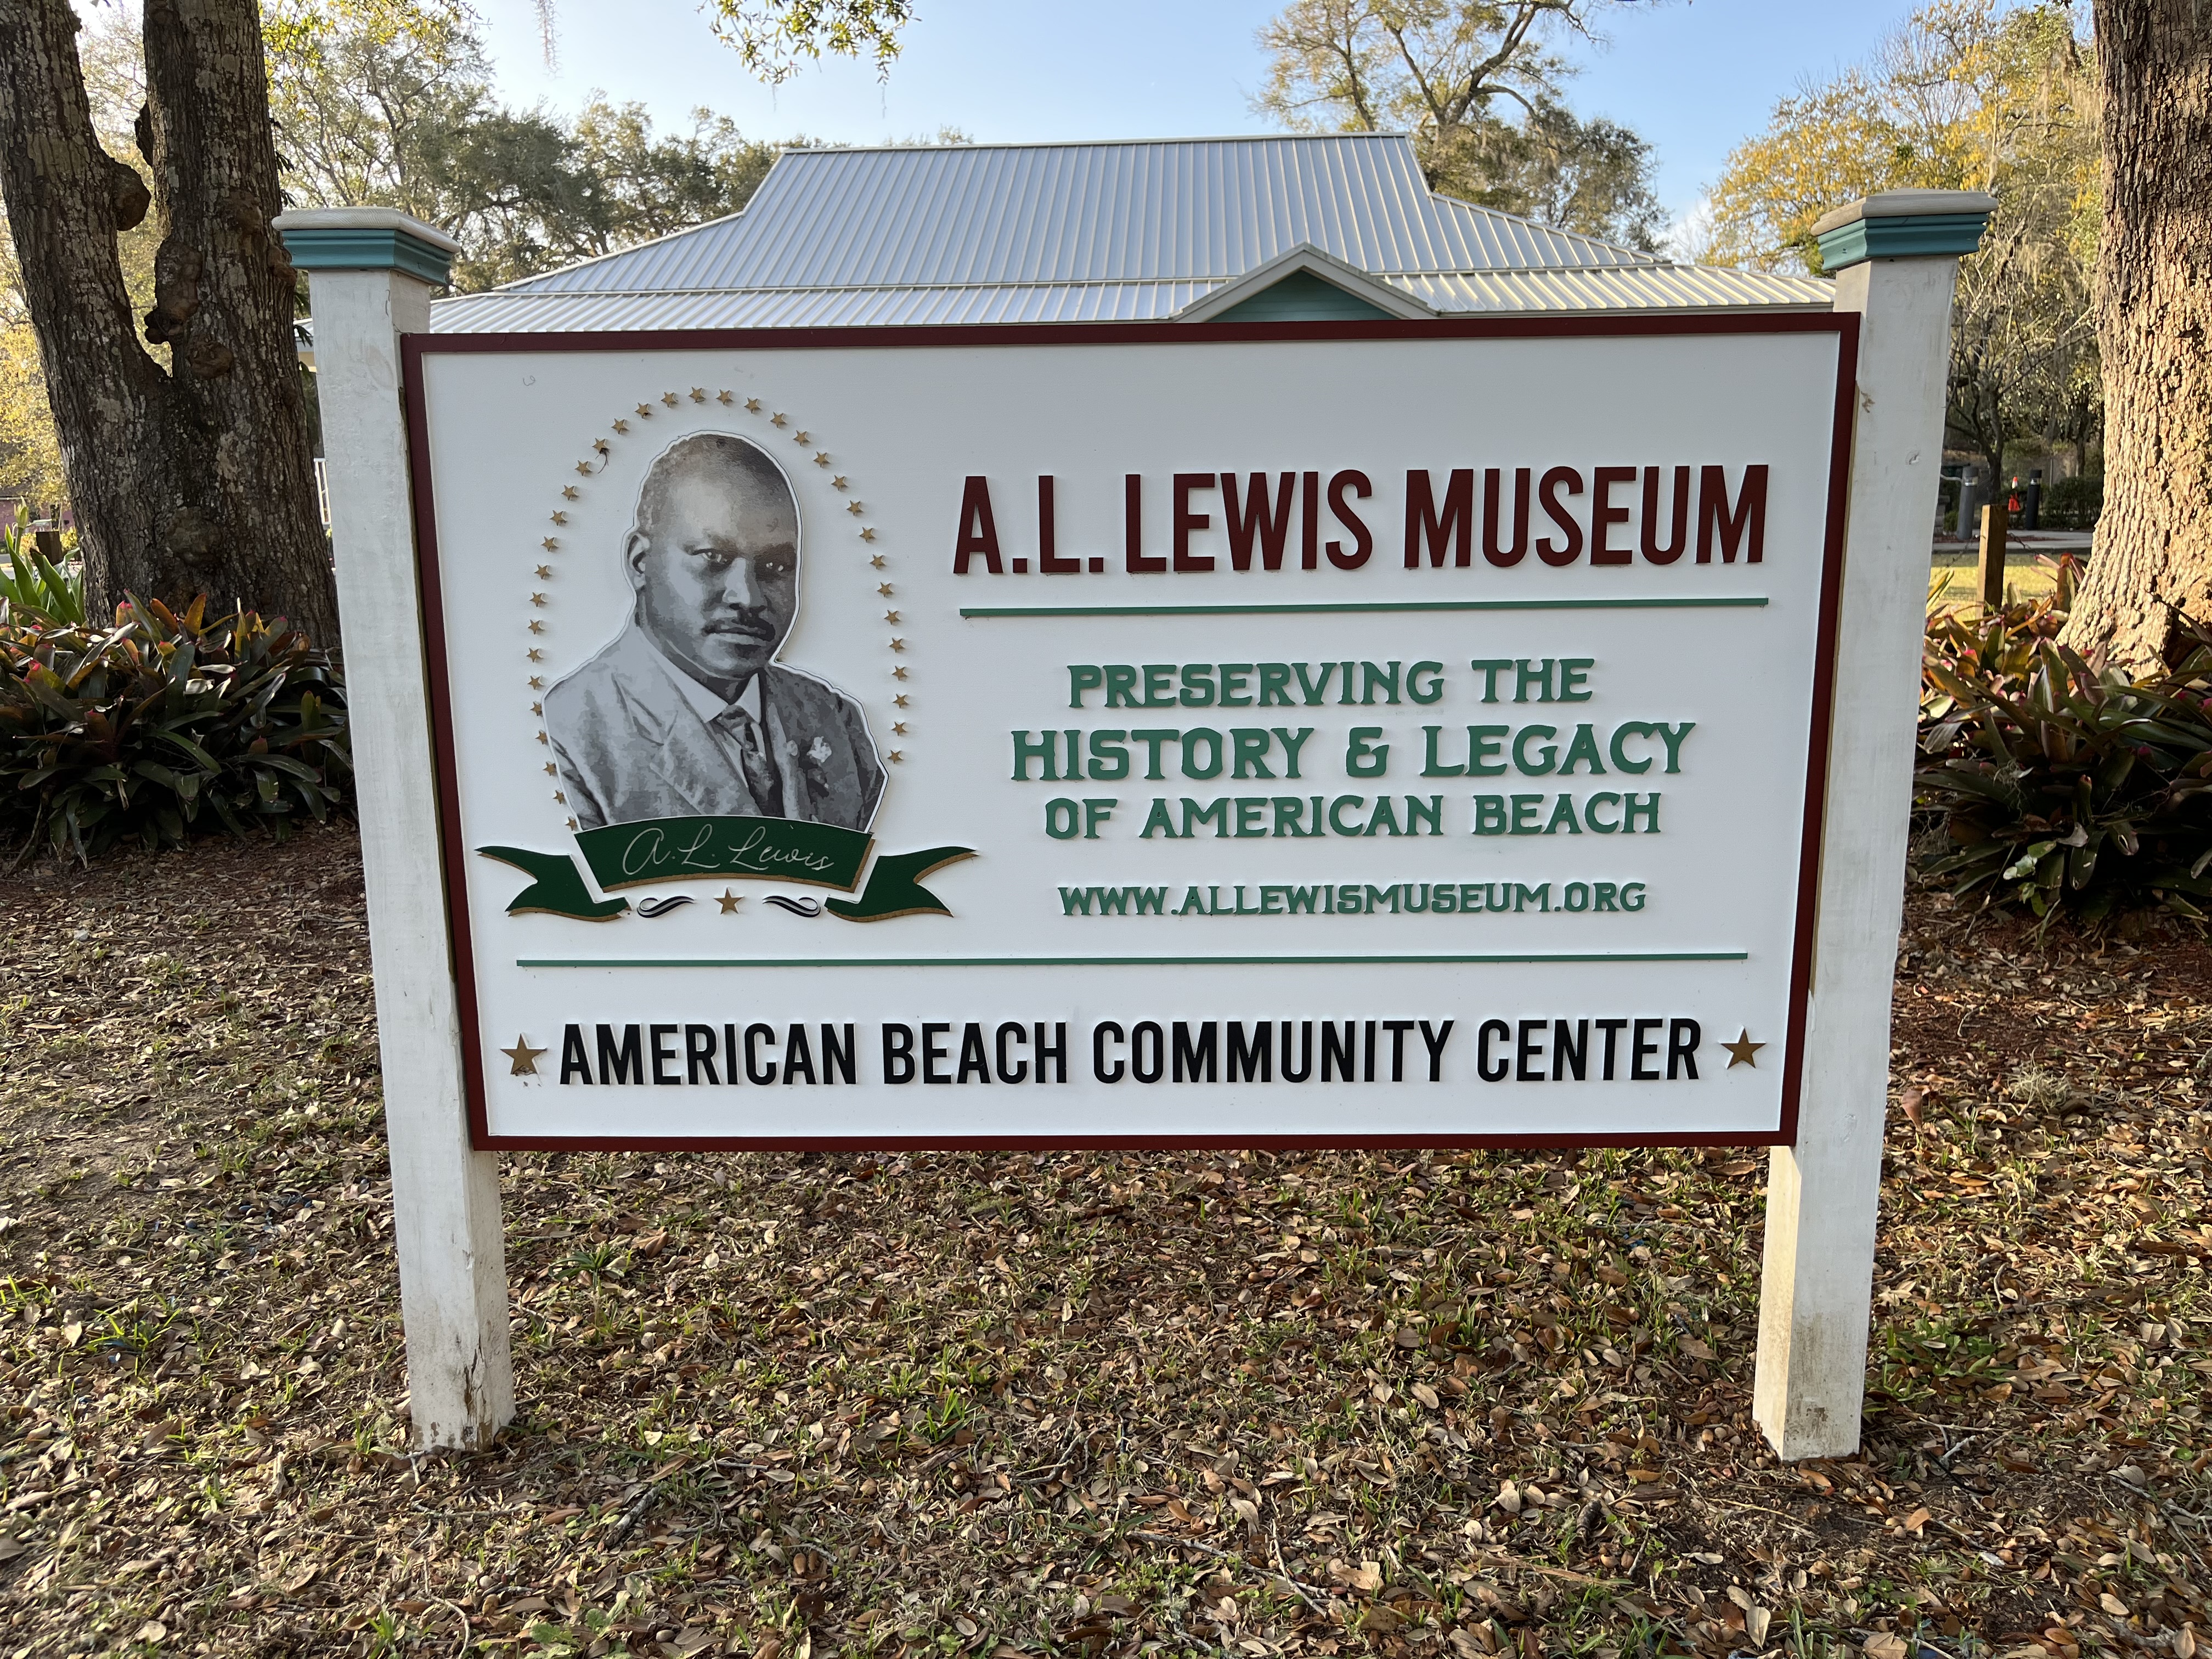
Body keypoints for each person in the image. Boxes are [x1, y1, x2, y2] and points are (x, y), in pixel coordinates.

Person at [547, 432, 883, 833]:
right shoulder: (569, 734)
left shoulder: (833, 720)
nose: (748, 597)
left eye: (776, 567)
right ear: (641, 563)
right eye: (714, 558)